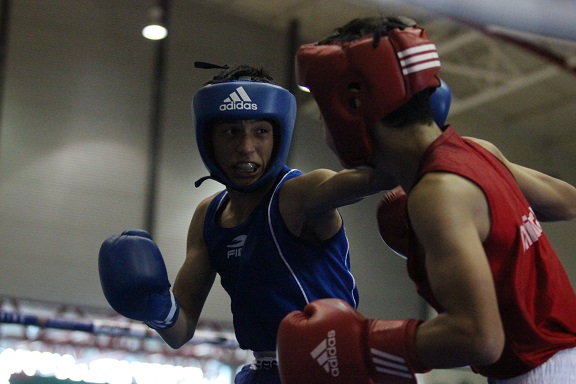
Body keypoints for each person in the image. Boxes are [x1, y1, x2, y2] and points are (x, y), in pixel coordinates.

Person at [277, 16, 576, 384]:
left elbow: (479, 337)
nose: (325, 128)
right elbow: (567, 201)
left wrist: (361, 343)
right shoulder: (478, 153)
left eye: (324, 114)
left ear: (352, 106)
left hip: (540, 373)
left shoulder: (438, 195)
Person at [98, 64, 404, 383]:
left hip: (331, 370)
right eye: (231, 132)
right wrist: (155, 307)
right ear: (209, 139)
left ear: (278, 136)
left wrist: (413, 139)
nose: (246, 147)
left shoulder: (298, 195)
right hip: (262, 373)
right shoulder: (208, 215)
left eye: (260, 131)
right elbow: (181, 330)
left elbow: (364, 181)